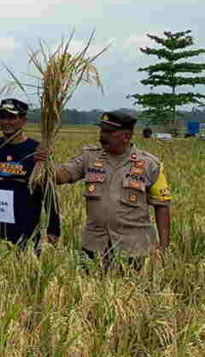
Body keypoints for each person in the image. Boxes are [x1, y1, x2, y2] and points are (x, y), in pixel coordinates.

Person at [44, 111, 172, 267]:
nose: (102, 136)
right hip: (94, 246)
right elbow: (61, 176)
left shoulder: (150, 164)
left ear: (126, 137)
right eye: (102, 130)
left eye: (109, 132)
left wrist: (164, 247)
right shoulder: (89, 158)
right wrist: (44, 163)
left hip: (133, 249)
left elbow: (162, 206)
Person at [0, 98, 60, 247]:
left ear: (23, 120)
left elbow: (49, 193)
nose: (6, 122)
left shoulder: (37, 152)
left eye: (12, 117)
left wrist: (53, 228)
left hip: (25, 230)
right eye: (3, 117)